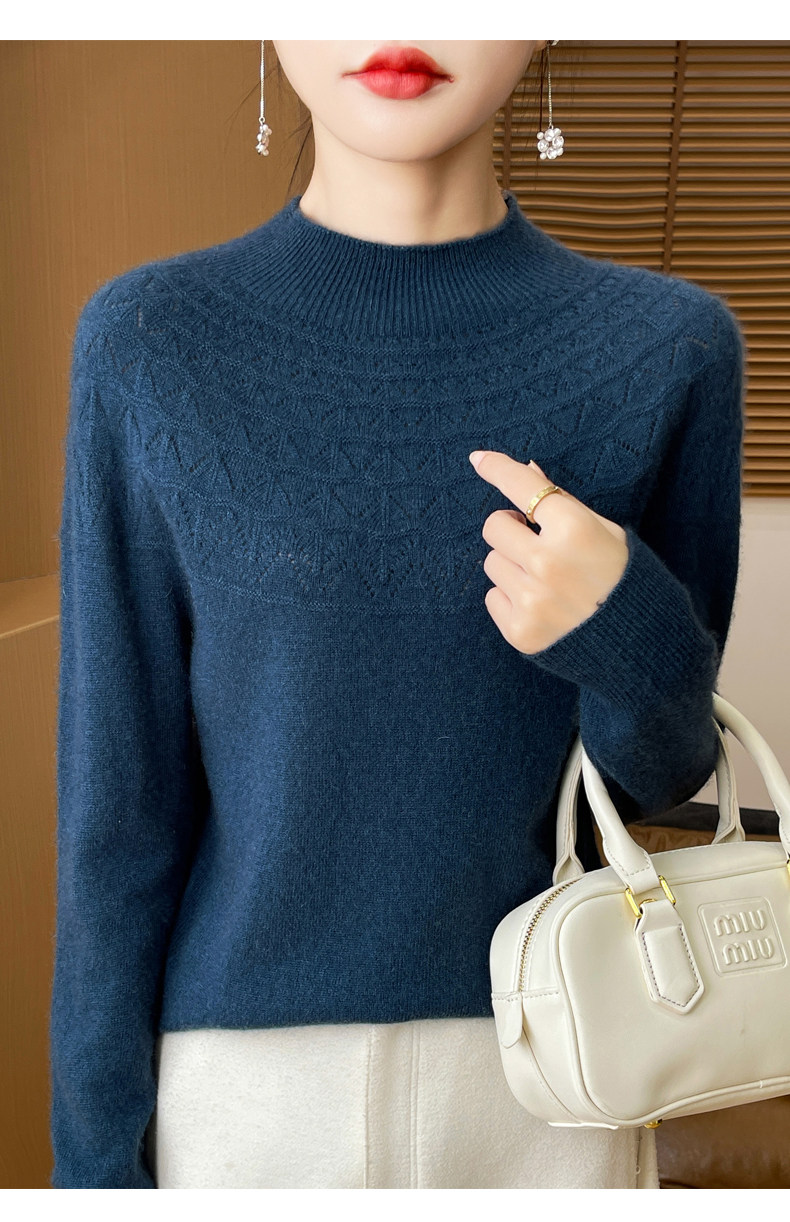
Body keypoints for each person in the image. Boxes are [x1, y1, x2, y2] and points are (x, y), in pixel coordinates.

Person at [49, 40, 745, 1189]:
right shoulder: (149, 341)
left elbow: (658, 775)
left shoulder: (670, 346)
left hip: (556, 1069)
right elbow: (116, 816)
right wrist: (90, 1172)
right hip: (241, 1103)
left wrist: (626, 626)